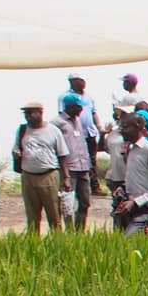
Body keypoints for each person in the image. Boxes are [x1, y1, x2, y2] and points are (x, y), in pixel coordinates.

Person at [11, 101, 69, 234]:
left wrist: (66, 177)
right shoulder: (22, 130)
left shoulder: (53, 131)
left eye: (31, 113)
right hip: (28, 176)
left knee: (54, 214)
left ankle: (57, 243)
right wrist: (16, 154)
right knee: (32, 216)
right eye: (26, 114)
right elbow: (16, 148)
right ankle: (33, 243)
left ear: (40, 113)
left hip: (48, 176)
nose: (28, 117)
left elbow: (63, 155)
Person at [110, 111, 148, 235]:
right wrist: (122, 190)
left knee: (127, 239)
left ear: (138, 127)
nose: (121, 130)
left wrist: (137, 202)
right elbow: (135, 179)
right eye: (120, 127)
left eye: (125, 127)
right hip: (130, 206)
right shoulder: (130, 149)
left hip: (147, 208)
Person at [54, 94, 95, 230]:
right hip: (69, 169)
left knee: (85, 202)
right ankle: (69, 232)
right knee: (67, 204)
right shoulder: (57, 123)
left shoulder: (78, 121)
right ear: (69, 107)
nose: (81, 110)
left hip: (83, 167)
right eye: (78, 107)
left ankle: (79, 231)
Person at [66, 75, 103, 194]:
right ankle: (77, 187)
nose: (83, 83)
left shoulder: (89, 97)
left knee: (92, 160)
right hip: (76, 134)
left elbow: (94, 113)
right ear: (72, 82)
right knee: (76, 160)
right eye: (80, 81)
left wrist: (99, 127)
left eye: (84, 80)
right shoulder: (66, 97)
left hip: (90, 133)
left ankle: (95, 186)